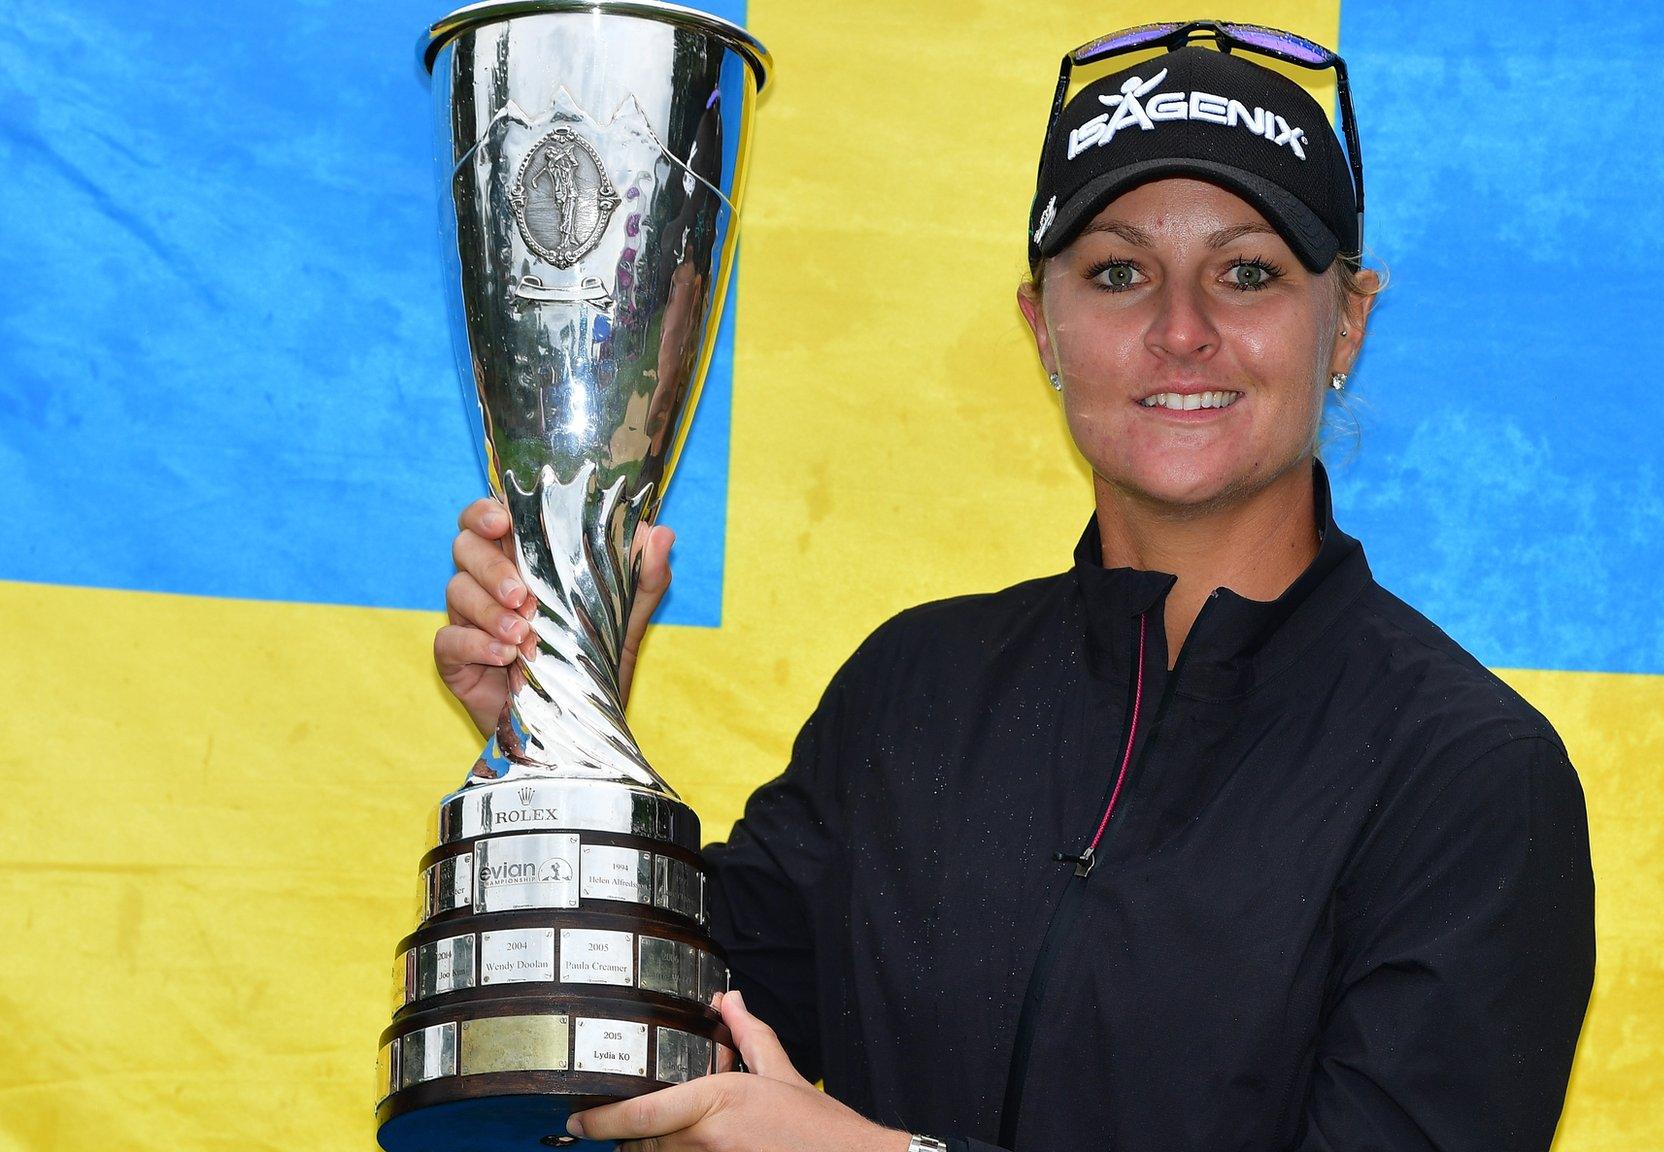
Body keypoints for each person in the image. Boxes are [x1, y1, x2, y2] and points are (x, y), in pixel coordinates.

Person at [435, 23, 1594, 1152]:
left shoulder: (1465, 777)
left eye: (1246, 273)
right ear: (1042, 326)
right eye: (1117, 272)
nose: (1180, 331)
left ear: (1344, 322)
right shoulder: (914, 693)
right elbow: (633, 1063)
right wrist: (561, 727)